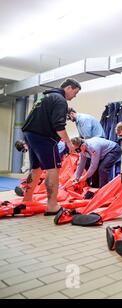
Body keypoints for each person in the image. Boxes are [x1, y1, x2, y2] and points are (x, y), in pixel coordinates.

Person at [21, 78, 80, 215]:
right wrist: (69, 143)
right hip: (44, 137)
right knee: (53, 169)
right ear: (69, 88)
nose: (74, 96)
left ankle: (27, 199)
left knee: (36, 169)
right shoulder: (60, 100)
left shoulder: (45, 96)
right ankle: (52, 205)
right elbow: (59, 126)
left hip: (30, 134)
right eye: (75, 93)